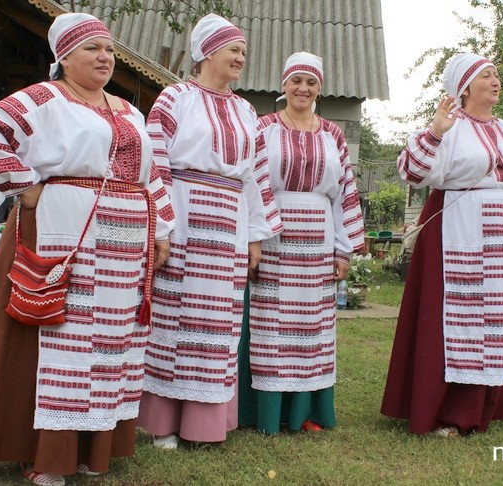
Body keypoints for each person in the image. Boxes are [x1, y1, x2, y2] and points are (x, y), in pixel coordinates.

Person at [0, 13, 174, 485]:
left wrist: (162, 231)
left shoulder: (129, 110)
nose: (104, 57)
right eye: (91, 48)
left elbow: (152, 175)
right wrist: (25, 187)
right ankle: (48, 454)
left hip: (125, 242)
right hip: (62, 229)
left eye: (108, 49)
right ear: (64, 56)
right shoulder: (44, 99)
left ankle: (94, 446)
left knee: (112, 340)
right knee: (60, 333)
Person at [380, 53, 503, 436]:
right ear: (465, 88)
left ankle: (478, 406)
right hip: (456, 226)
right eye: (487, 75)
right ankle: (442, 409)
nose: (496, 80)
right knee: (451, 315)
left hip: (499, 234)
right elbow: (413, 171)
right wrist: (434, 132)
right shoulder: (451, 127)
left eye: (497, 74)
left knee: (489, 319)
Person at [138, 14, 282, 448]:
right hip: (184, 212)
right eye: (233, 49)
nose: (241, 58)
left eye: (243, 51)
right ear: (206, 53)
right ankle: (163, 424)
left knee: (217, 320)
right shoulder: (173, 98)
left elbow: (256, 176)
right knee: (175, 315)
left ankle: (205, 424)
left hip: (230, 221)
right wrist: (161, 226)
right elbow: (154, 163)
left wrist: (256, 235)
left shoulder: (245, 110)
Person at [237, 52, 365, 434]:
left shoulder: (333, 134)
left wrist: (342, 250)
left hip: (319, 237)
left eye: (310, 82)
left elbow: (344, 194)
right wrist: (255, 237)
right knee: (270, 322)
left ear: (319, 88)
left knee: (312, 324)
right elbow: (252, 184)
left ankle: (305, 412)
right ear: (283, 84)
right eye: (296, 81)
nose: (303, 89)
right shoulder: (264, 128)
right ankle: (264, 412)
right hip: (275, 236)